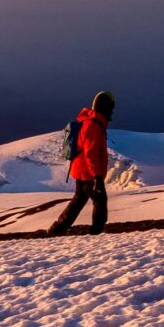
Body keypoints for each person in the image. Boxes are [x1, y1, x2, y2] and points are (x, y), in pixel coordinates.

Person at [49, 91, 115, 236]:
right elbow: (91, 153)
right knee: (100, 200)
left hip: (83, 169)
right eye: (110, 107)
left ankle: (58, 229)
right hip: (88, 172)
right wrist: (97, 176)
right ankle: (97, 232)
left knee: (80, 199)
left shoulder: (94, 124)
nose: (112, 111)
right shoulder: (93, 126)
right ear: (104, 107)